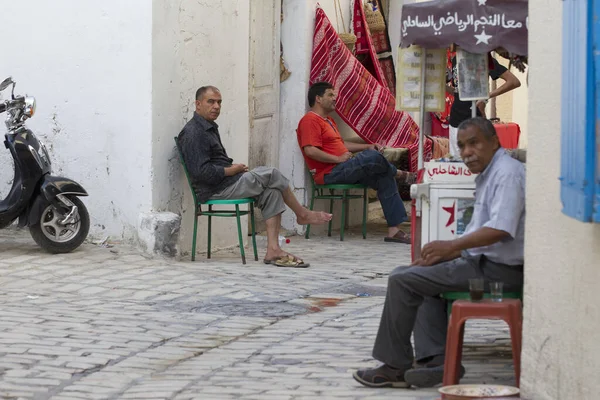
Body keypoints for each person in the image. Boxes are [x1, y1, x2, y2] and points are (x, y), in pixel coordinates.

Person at [352, 117, 525, 389]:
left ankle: (395, 367)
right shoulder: (490, 173)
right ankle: (436, 361)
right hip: (482, 264)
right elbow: (485, 232)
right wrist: (446, 254)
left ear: (494, 142)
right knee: (416, 273)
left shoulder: (508, 173)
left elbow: (501, 229)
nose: (467, 152)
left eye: (474, 144)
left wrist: (452, 247)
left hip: (500, 273)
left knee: (402, 280)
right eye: (462, 146)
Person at [177, 85, 332, 268]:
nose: (216, 106)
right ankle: (302, 213)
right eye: (211, 102)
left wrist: (233, 169)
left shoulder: (208, 127)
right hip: (216, 188)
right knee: (272, 174)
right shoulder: (194, 132)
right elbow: (201, 173)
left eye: (219, 102)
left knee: (272, 192)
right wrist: (232, 170)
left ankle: (273, 250)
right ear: (198, 104)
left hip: (227, 182)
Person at [296, 82, 414, 244]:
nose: (334, 98)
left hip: (344, 168)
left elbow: (341, 145)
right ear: (318, 99)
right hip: (330, 173)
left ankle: (394, 231)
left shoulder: (329, 120)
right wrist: (338, 159)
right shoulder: (310, 120)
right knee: (372, 157)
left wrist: (366, 145)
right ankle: (400, 174)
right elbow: (310, 150)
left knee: (383, 175)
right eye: (330, 95)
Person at [448, 45, 521, 158]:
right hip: (455, 120)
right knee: (457, 162)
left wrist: (487, 96)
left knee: (475, 160)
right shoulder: (455, 59)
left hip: (474, 118)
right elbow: (459, 91)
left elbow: (513, 81)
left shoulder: (482, 59)